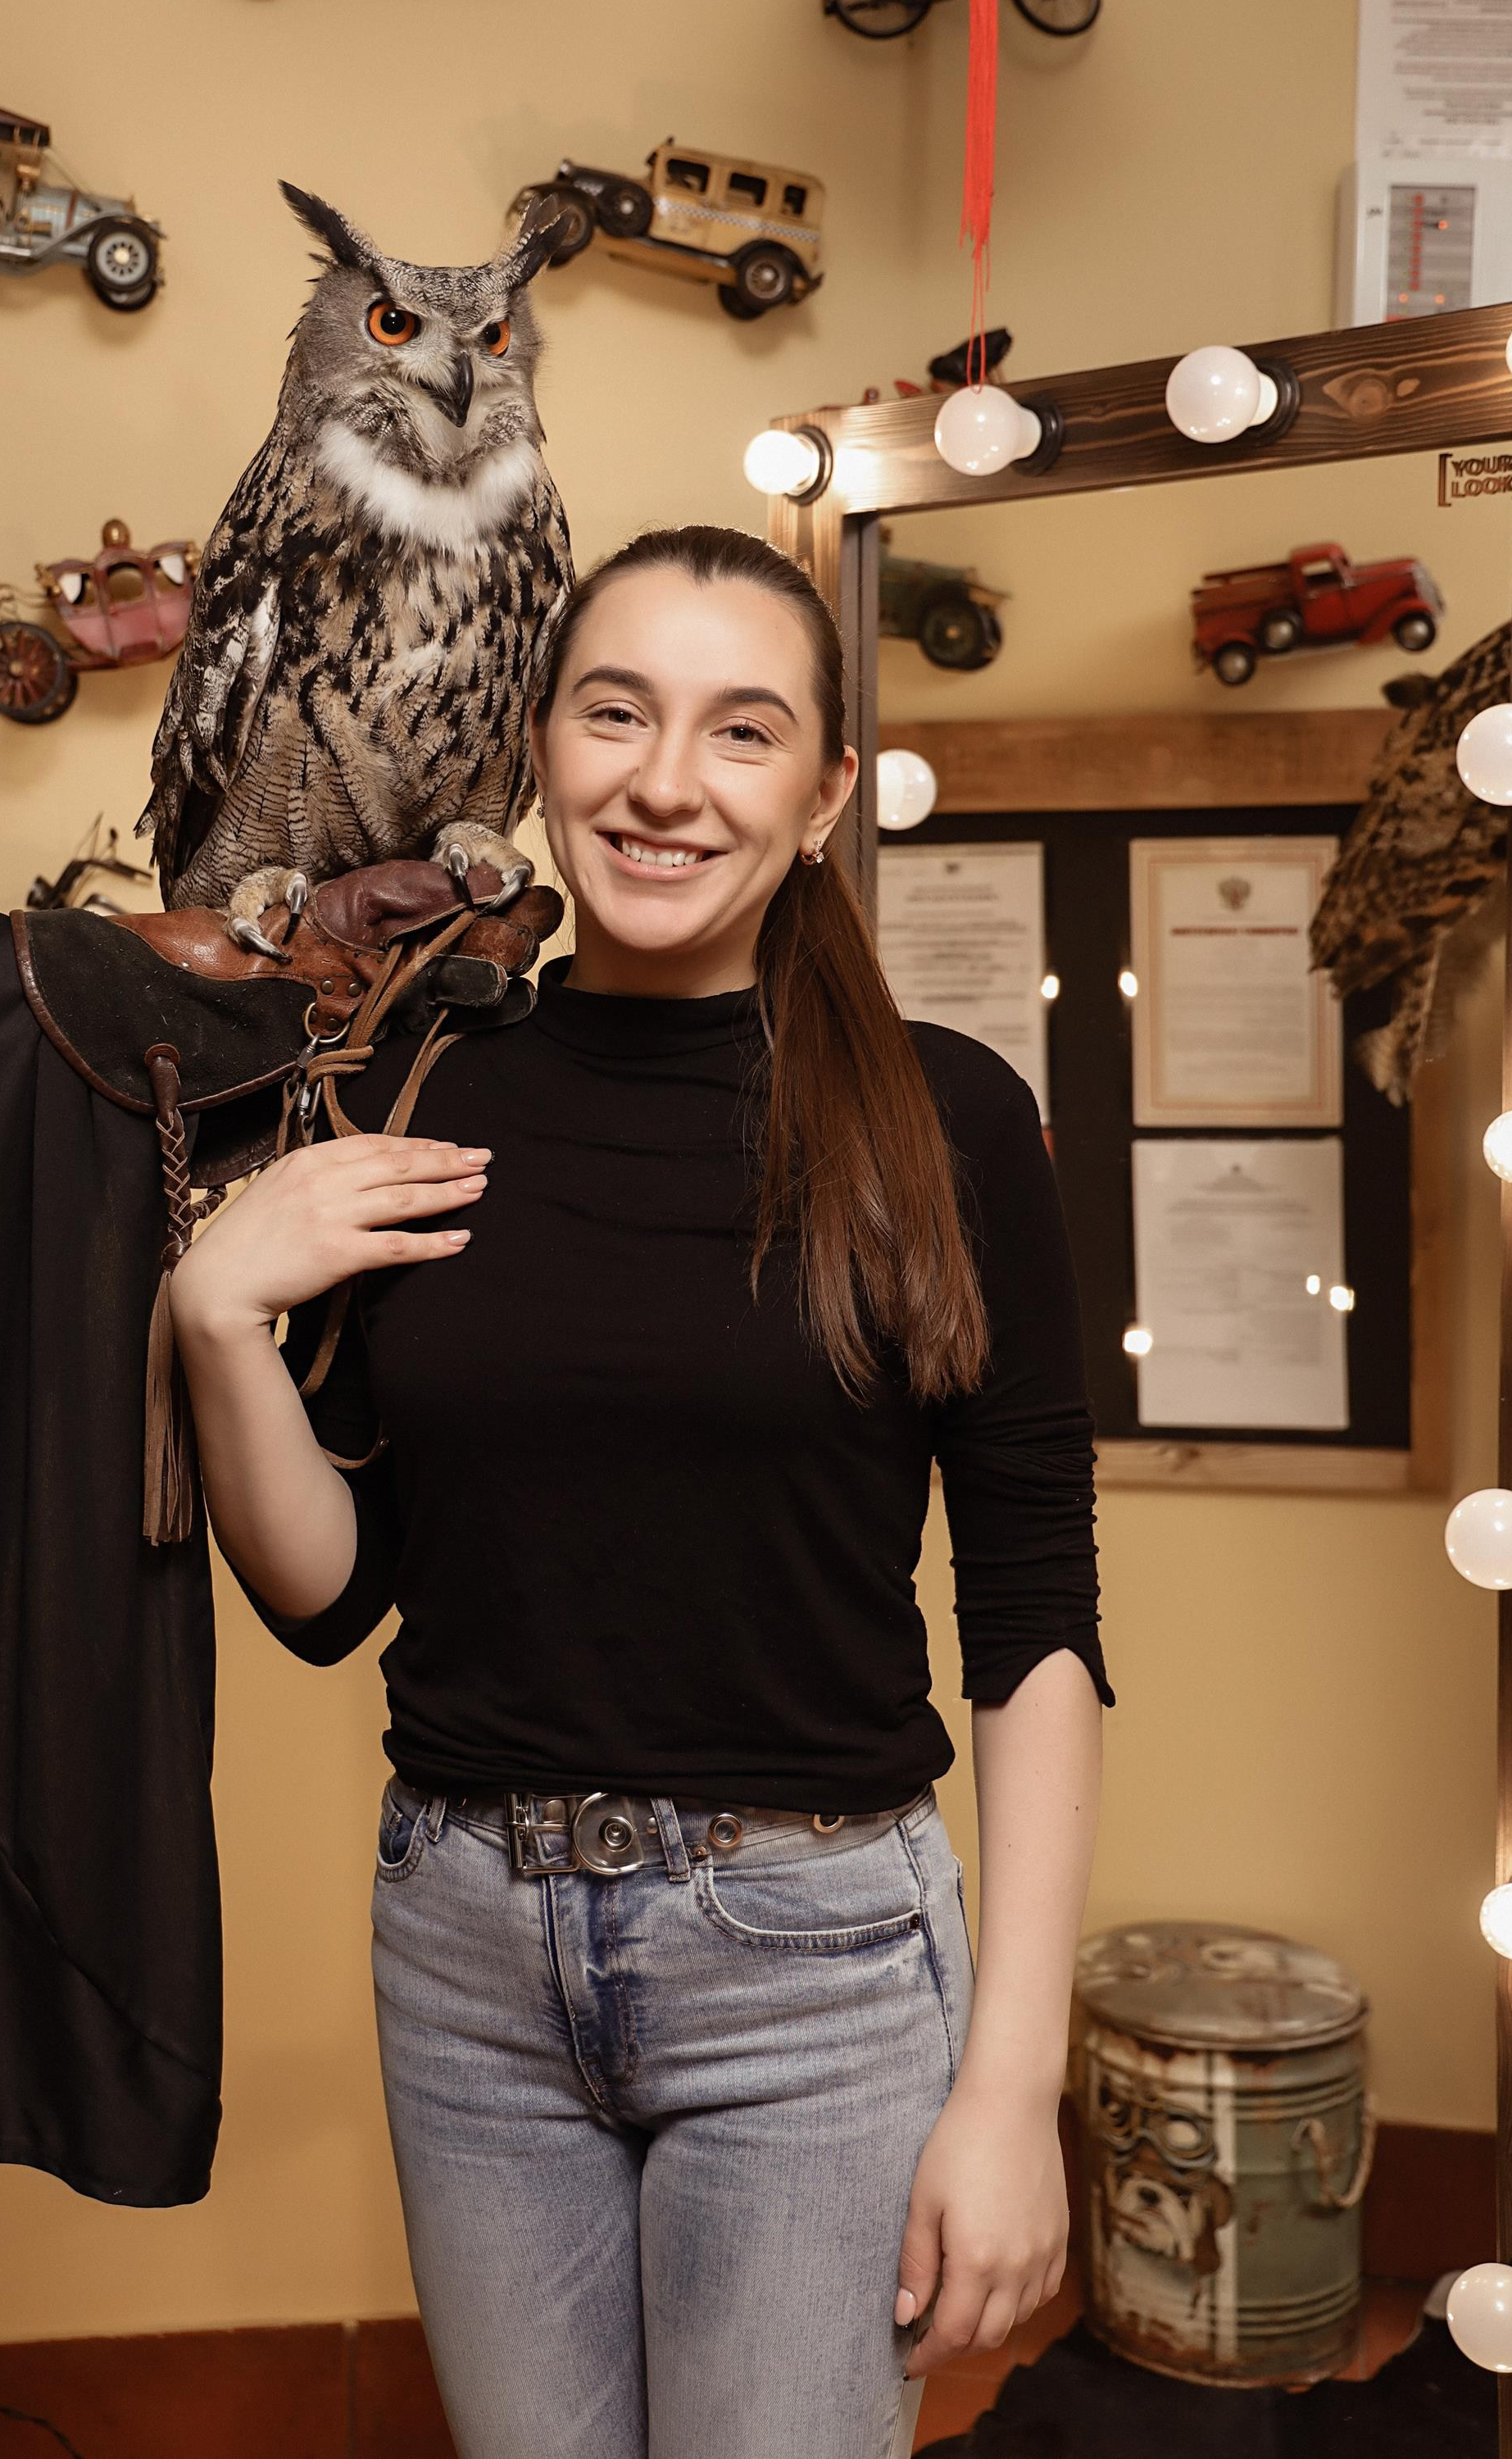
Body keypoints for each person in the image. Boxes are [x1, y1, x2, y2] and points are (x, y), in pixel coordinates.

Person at [170, 524, 1111, 2459]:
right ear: (540, 745)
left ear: (826, 793)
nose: (665, 782)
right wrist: (213, 1326)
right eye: (616, 713)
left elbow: (1031, 1625)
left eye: (741, 731)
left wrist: (1012, 2083)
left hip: (816, 1972)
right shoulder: (421, 1084)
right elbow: (336, 1591)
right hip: (461, 1952)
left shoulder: (947, 1121)